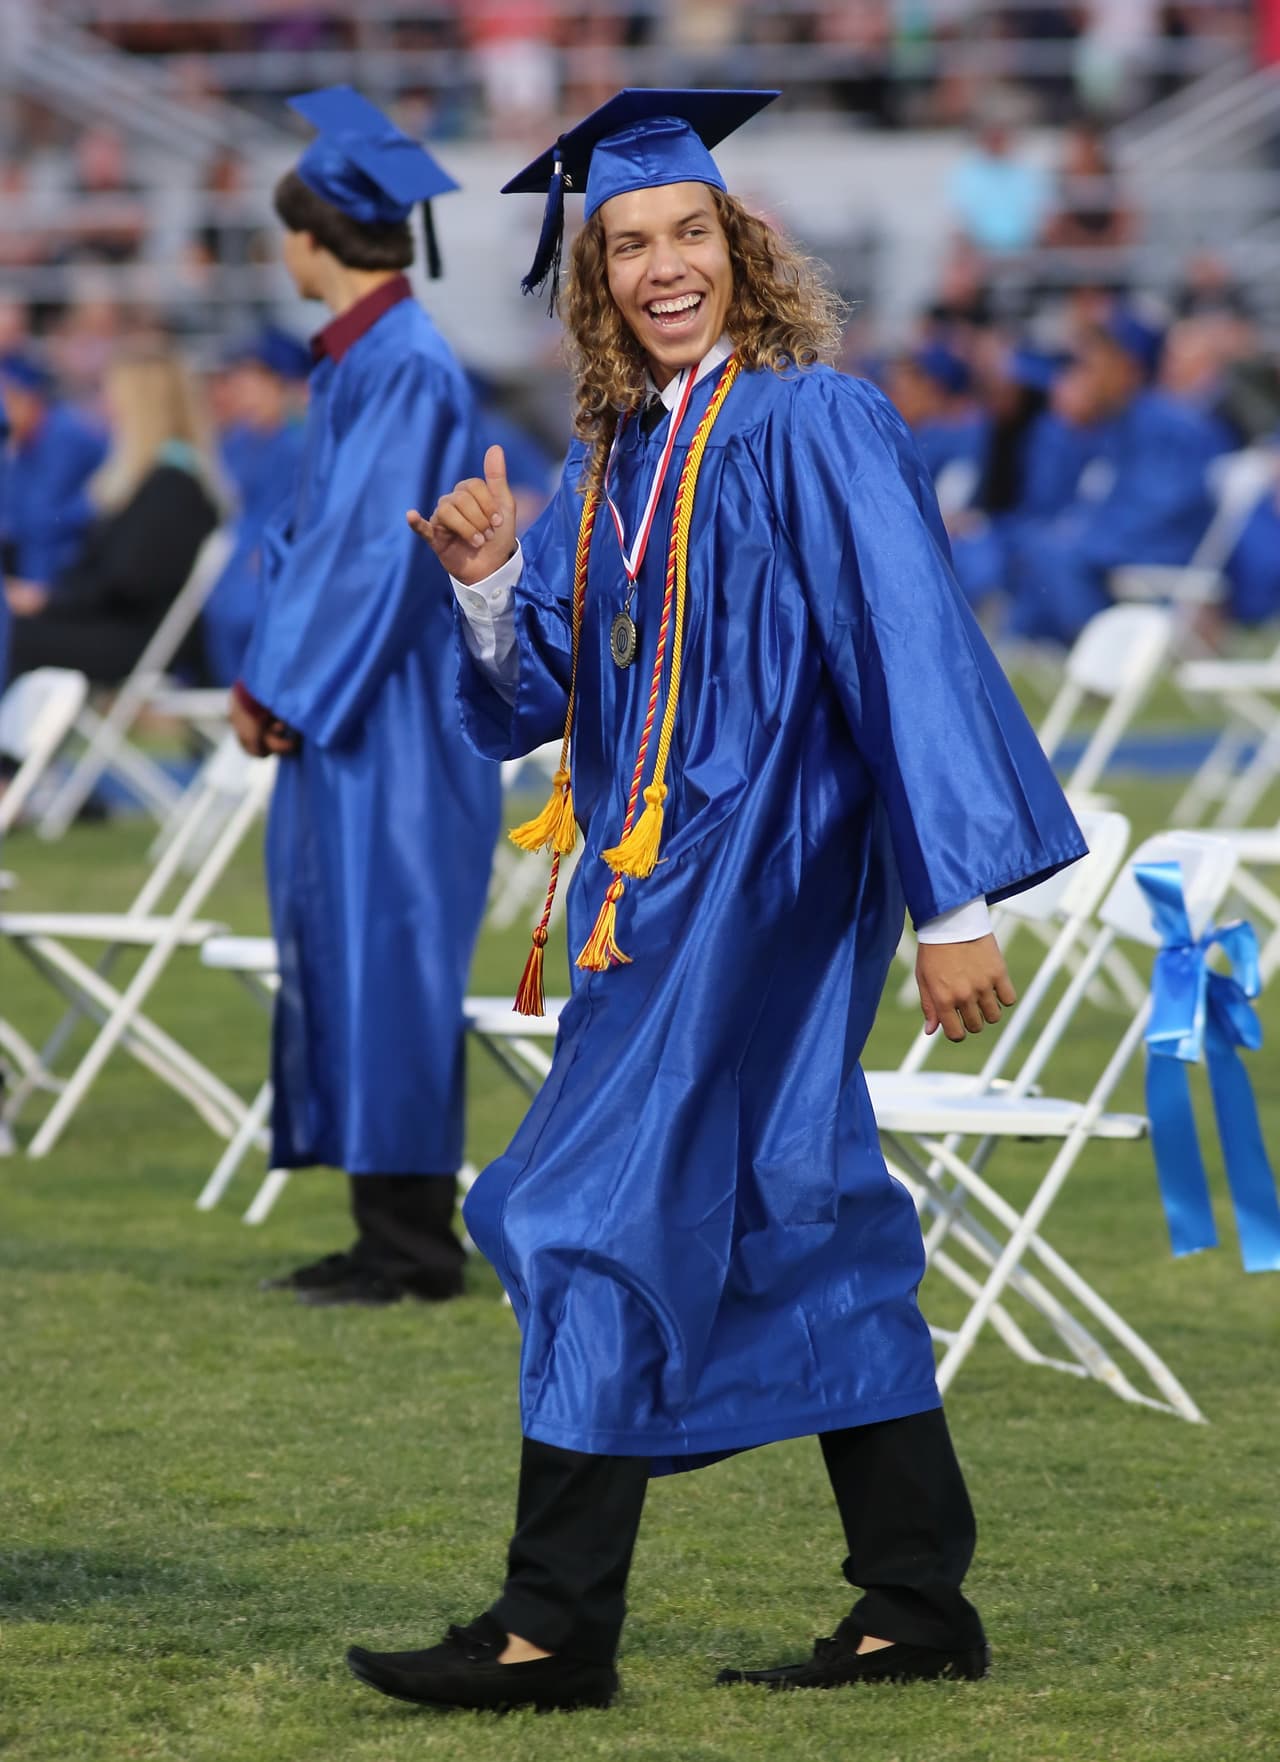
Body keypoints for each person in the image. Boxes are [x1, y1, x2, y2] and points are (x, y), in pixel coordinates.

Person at [346, 88, 1086, 1715]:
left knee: (582, 1205)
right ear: (593, 276)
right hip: (646, 895)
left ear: (743, 251)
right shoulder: (611, 451)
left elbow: (906, 641)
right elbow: (543, 691)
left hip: (770, 881)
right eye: (628, 244)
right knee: (795, 1207)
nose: (662, 264)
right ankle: (913, 1599)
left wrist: (954, 896)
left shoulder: (810, 419)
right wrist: (481, 581)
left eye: (689, 233)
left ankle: (552, 1629)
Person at [232, 87, 501, 1309]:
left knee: (389, 953)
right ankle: (377, 1228)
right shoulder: (362, 361)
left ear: (315, 236)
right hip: (348, 705)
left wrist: (281, 685)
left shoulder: (403, 363)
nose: (272, 249)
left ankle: (413, 1247)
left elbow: (371, 557)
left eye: (279, 229)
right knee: (341, 950)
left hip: (385, 712)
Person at [1004, 310, 1231, 644]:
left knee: (1052, 548)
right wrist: (1066, 428)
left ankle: (1099, 650)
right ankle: (1027, 644)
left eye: (1094, 363)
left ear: (1129, 367)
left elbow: (1162, 513)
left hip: (1159, 552)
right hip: (1110, 544)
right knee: (1030, 539)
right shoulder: (1111, 423)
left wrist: (1082, 533)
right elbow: (1056, 498)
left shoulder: (1171, 425)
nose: (1084, 375)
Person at [3, 343, 219, 685]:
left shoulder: (172, 485)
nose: (104, 406)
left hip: (129, 637)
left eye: (112, 395)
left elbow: (129, 582)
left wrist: (47, 600)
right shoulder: (148, 479)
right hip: (110, 623)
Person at [202, 328, 309, 686]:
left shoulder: (299, 444)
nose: (244, 393)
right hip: (234, 555)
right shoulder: (236, 443)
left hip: (271, 558)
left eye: (254, 382)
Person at [0, 350, 108, 599]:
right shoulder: (22, 441)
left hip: (72, 559)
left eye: (10, 400)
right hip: (36, 559)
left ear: (31, 398)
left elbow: (42, 517)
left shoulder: (66, 434)